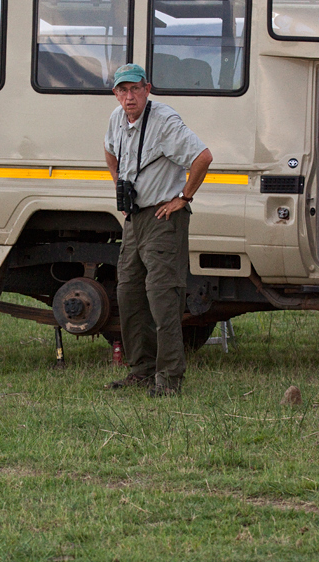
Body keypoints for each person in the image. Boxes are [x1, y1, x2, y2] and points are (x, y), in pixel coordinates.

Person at [104, 63, 213, 396]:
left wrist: (184, 197)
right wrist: (120, 186)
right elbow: (110, 150)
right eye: (123, 90)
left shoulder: (165, 121)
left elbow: (203, 158)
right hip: (135, 219)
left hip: (164, 219)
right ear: (116, 94)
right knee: (128, 293)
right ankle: (142, 369)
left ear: (147, 89)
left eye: (135, 89)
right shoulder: (116, 119)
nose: (129, 96)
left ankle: (169, 378)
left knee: (163, 297)